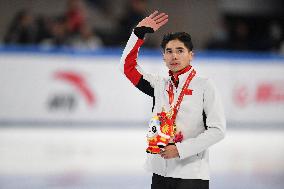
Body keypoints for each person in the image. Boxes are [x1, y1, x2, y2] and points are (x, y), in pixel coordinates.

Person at [120, 11, 226, 189]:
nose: (174, 56)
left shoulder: (205, 86)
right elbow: (127, 67)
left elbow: (218, 131)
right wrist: (137, 34)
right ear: (163, 57)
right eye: (169, 51)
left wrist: (180, 150)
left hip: (191, 174)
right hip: (160, 172)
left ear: (191, 55)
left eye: (180, 51)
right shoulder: (159, 85)